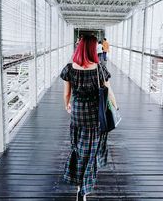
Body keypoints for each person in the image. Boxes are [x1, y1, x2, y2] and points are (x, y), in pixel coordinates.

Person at [60, 35, 117, 201]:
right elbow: (109, 91)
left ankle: (78, 185)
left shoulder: (69, 68)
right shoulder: (99, 68)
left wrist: (67, 105)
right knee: (90, 153)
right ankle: (83, 189)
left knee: (78, 150)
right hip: (94, 118)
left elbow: (66, 94)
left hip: (77, 116)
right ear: (94, 49)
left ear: (79, 47)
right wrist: (116, 107)